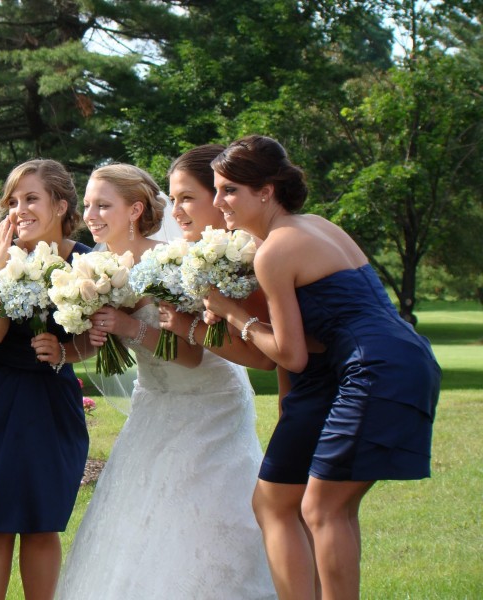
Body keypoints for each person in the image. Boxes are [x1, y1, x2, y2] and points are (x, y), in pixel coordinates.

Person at [203, 135, 441, 600]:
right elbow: (329, 326)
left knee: (321, 509)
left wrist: (230, 312)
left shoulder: (275, 252)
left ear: (266, 191)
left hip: (374, 368)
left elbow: (290, 355)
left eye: (229, 190)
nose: (218, 202)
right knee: (331, 508)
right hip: (407, 356)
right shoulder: (316, 225)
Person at [56, 162, 276, 599]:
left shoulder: (168, 262)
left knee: (204, 513)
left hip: (206, 398)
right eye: (87, 205)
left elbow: (193, 354)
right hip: (153, 401)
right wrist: (89, 334)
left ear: (135, 209)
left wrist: (125, 327)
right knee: (141, 512)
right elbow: (108, 339)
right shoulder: (94, 267)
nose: (92, 215)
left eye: (103, 205)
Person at [0, 159, 91, 600]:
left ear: (60, 204)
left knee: (42, 521)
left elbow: (99, 340)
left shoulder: (86, 261)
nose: (19, 209)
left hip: (53, 400)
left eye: (31, 198)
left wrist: (67, 351)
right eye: (12, 200)